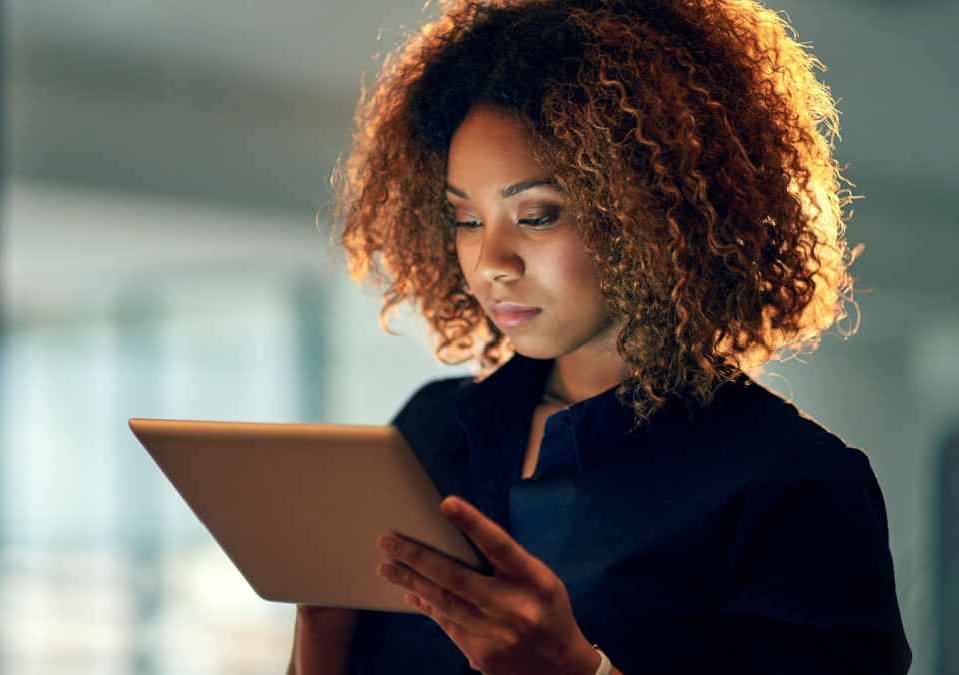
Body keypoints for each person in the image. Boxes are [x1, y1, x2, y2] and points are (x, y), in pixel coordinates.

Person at [289, 0, 912, 673]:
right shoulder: (431, 430)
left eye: (536, 214)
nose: (491, 260)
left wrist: (576, 669)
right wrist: (319, 625)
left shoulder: (791, 487)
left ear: (655, 212)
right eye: (466, 218)